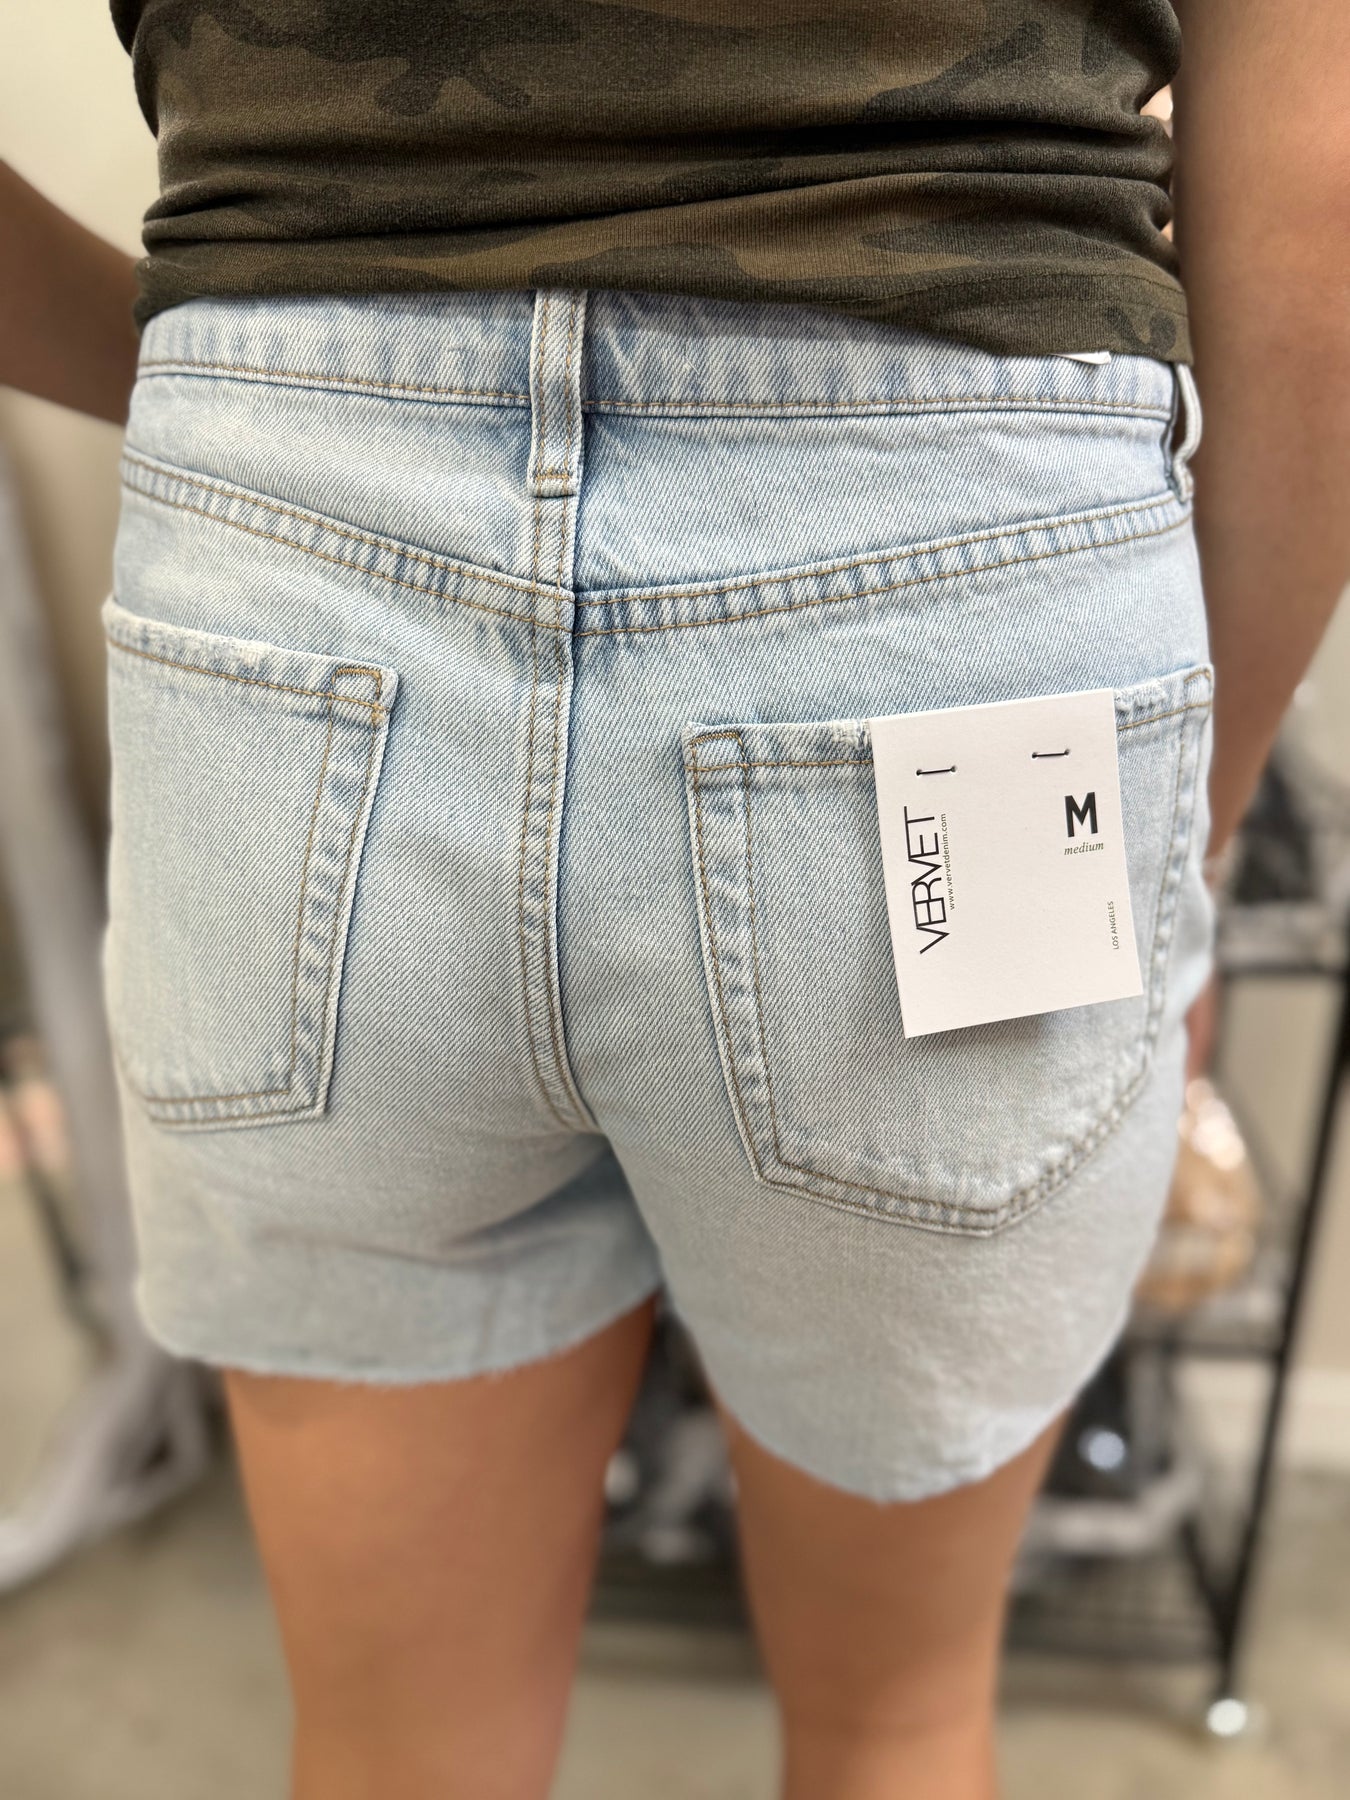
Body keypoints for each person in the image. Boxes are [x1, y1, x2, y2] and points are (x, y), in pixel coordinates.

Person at [3, 4, 1347, 1797]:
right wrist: (1194, 820)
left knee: (401, 1756)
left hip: (284, 576)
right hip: (950, 560)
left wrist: (228, 402)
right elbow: (1317, 165)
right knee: (891, 1728)